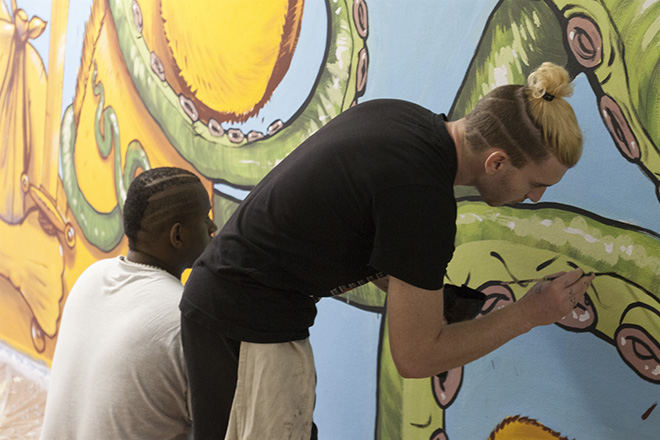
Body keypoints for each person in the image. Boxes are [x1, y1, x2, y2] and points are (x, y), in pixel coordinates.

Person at [179, 62, 596, 439]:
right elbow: (416, 358)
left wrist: (427, 297)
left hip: (229, 306)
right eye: (535, 183)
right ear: (497, 162)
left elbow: (348, 227)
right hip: (244, 323)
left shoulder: (402, 120)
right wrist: (528, 314)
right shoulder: (423, 199)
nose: (537, 197)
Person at [40, 167, 217, 440]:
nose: (213, 228)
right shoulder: (183, 316)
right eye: (205, 218)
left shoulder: (91, 277)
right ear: (177, 236)